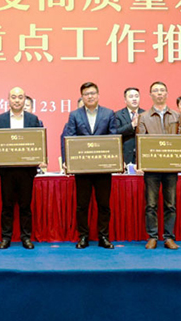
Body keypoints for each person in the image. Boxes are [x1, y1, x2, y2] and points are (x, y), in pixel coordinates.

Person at [61, 82, 118, 249]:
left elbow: (113, 138)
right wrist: (69, 161)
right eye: (86, 94)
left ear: (98, 95)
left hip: (103, 168)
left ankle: (103, 237)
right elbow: (70, 139)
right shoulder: (75, 115)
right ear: (82, 97)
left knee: (104, 205)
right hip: (82, 168)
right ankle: (83, 237)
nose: (90, 96)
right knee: (82, 205)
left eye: (93, 93)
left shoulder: (108, 113)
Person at [0, 87, 45, 250]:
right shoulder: (0, 119)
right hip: (7, 170)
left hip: (26, 170)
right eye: (14, 97)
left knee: (25, 206)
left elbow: (37, 142)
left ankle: (26, 237)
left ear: (25, 100)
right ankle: (6, 238)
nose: (17, 100)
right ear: (8, 100)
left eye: (20, 97)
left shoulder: (32, 119)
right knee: (7, 206)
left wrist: (40, 158)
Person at [135, 81, 181, 250]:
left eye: (162, 90)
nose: (159, 93)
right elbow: (140, 142)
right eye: (155, 91)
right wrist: (140, 164)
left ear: (167, 94)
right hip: (151, 167)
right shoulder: (143, 117)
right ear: (150, 95)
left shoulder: (177, 116)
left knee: (170, 204)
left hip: (171, 166)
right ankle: (152, 237)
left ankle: (169, 237)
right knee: (151, 204)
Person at [113, 87, 145, 167]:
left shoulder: (145, 114)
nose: (134, 99)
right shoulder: (118, 115)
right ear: (125, 100)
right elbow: (116, 133)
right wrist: (132, 125)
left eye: (136, 96)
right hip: (125, 156)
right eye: (131, 97)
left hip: (142, 155)